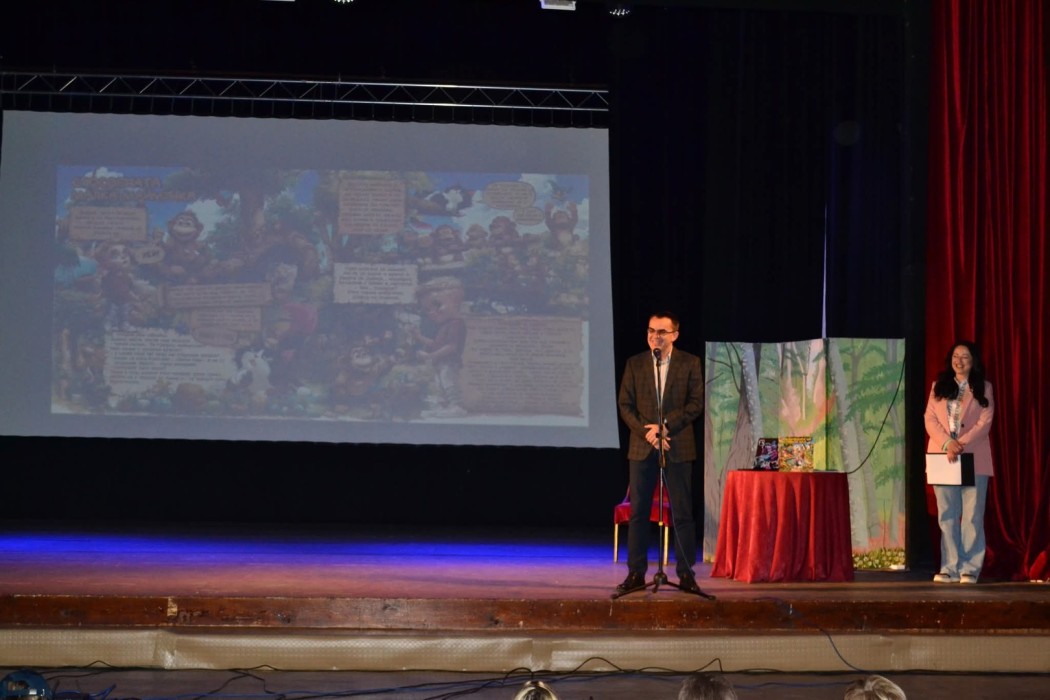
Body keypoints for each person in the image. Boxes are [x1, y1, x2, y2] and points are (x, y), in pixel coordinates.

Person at [616, 311, 704, 595]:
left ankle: (686, 574)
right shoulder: (635, 363)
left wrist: (666, 427)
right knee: (639, 513)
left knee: (682, 512)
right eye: (651, 330)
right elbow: (625, 405)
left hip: (677, 445)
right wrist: (650, 433)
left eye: (661, 332)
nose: (655, 336)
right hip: (643, 446)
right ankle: (635, 573)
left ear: (674, 335)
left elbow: (696, 403)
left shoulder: (690, 363)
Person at [923, 340, 995, 584]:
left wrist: (959, 444)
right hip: (944, 457)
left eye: (964, 356)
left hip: (973, 457)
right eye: (956, 356)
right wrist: (947, 443)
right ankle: (949, 567)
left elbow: (984, 422)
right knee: (947, 515)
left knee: (972, 516)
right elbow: (930, 418)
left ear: (973, 361)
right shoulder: (938, 386)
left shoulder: (984, 387)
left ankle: (970, 568)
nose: (959, 361)